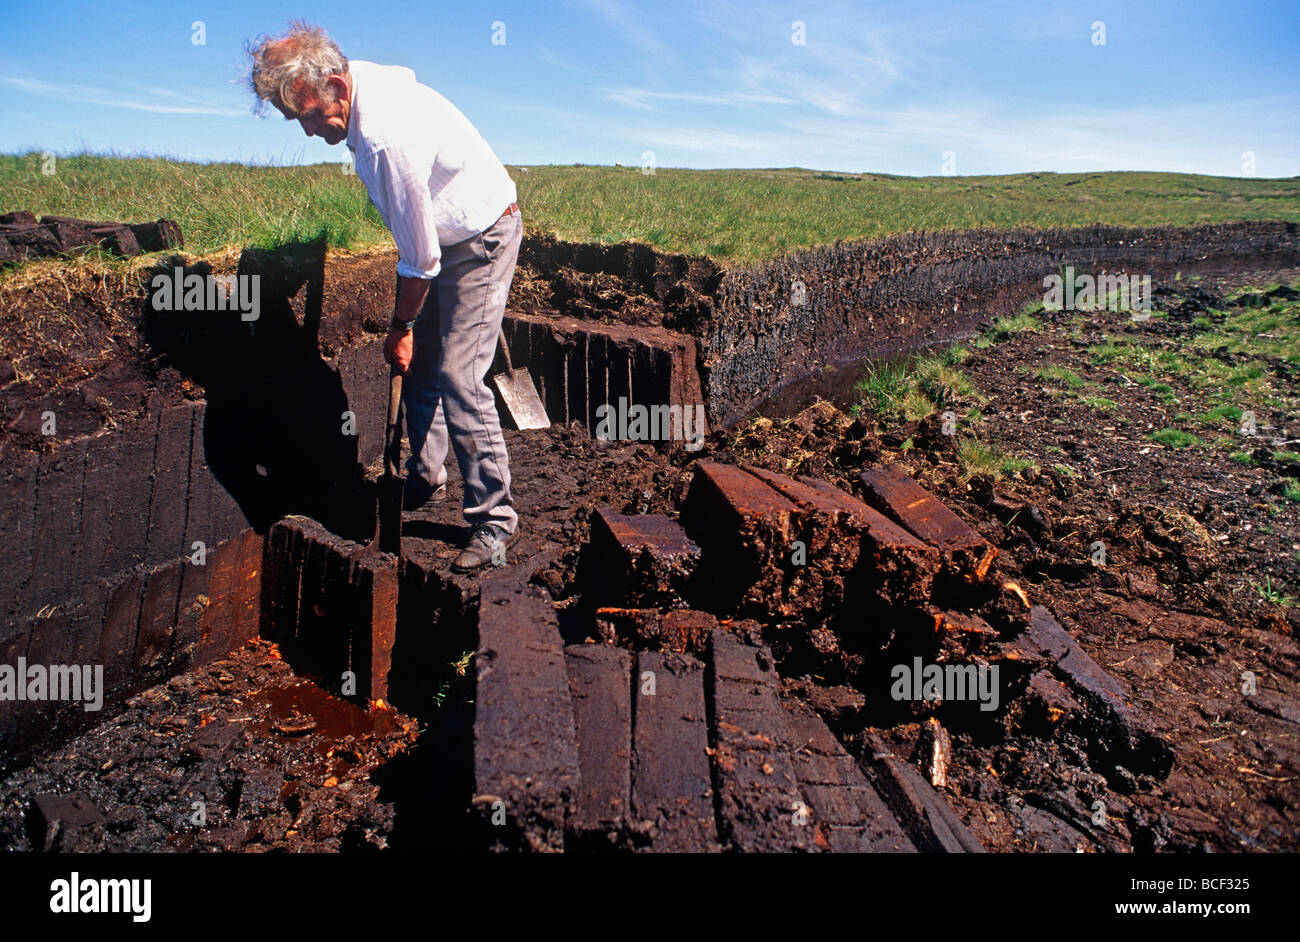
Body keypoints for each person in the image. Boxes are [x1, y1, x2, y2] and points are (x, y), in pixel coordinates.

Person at [246, 21, 522, 573]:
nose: (305, 131)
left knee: (462, 377)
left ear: (337, 88)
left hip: (481, 237)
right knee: (424, 372)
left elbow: (419, 261)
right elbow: (421, 252)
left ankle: (495, 521)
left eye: (306, 115)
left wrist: (400, 327)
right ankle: (423, 476)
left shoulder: (383, 139)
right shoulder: (357, 87)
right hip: (444, 237)